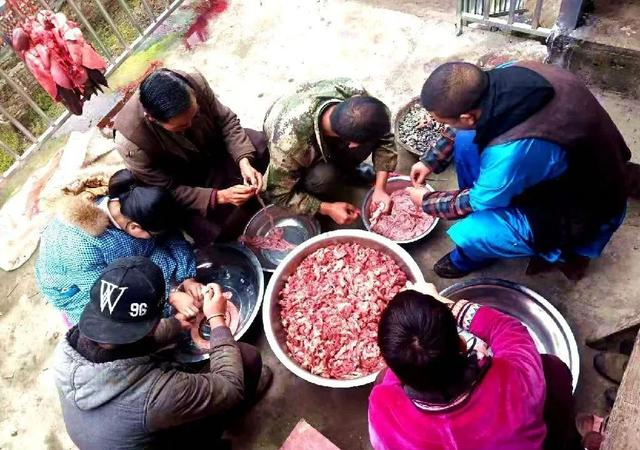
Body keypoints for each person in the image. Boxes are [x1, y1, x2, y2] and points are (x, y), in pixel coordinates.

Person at [407, 61, 631, 279]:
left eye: (446, 121)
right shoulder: (512, 71)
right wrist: (430, 161)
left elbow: (479, 200)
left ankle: (472, 257)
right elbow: (463, 126)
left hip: (579, 205)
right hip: (583, 157)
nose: (448, 125)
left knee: (472, 231)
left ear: (467, 117)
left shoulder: (510, 153)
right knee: (465, 139)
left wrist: (427, 201)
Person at [54, 256, 271, 449]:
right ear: (151, 325)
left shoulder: (72, 344)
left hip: (101, 435)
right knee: (246, 359)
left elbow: (126, 345)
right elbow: (231, 387)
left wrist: (176, 325)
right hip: (153, 435)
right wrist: (216, 318)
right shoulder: (156, 395)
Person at [369, 284, 583, 450]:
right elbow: (505, 327)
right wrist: (444, 303)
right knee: (553, 369)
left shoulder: (381, 405)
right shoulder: (516, 381)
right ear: (462, 343)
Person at [114, 69, 269, 247]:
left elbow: (226, 121)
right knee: (213, 230)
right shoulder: (132, 144)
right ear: (152, 119)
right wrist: (219, 197)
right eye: (181, 126)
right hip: (187, 179)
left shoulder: (193, 82)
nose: (190, 125)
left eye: (194, 116)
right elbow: (167, 189)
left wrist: (244, 160)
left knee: (258, 144)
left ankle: (266, 191)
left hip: (215, 151)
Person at [36, 169, 203, 325]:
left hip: (125, 260)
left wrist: (187, 278)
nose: (157, 237)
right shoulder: (79, 247)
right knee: (131, 324)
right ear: (134, 227)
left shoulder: (132, 197)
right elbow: (109, 293)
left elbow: (170, 235)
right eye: (153, 234)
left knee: (164, 256)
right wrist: (169, 296)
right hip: (77, 289)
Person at [264, 78, 397, 225]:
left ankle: (350, 170)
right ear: (352, 144)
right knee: (323, 178)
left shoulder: (358, 99)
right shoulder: (288, 145)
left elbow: (385, 137)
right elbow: (277, 194)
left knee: (367, 137)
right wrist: (326, 208)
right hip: (286, 123)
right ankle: (320, 185)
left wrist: (380, 188)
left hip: (308, 114)